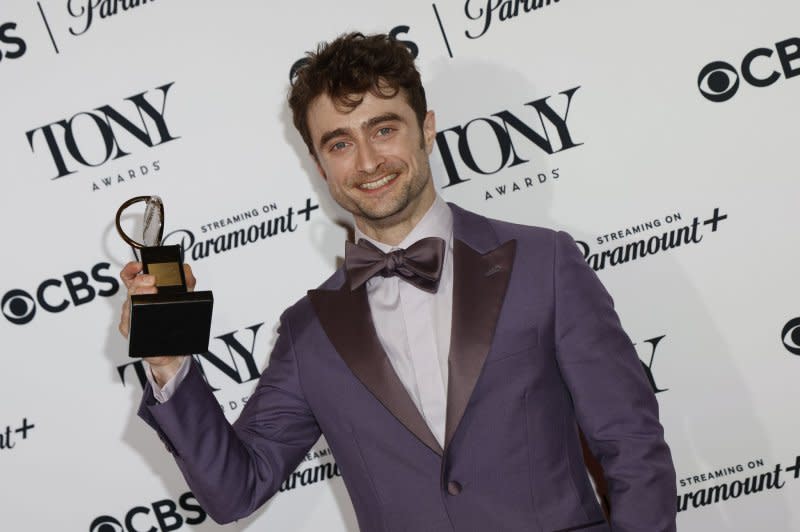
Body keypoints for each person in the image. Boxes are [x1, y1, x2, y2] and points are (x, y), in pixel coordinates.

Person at [119, 32, 677, 532]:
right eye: (339, 143)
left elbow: (631, 445)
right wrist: (169, 364)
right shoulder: (308, 330)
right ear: (319, 165)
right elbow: (233, 490)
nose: (367, 161)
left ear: (426, 130)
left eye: (383, 129)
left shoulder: (543, 263)